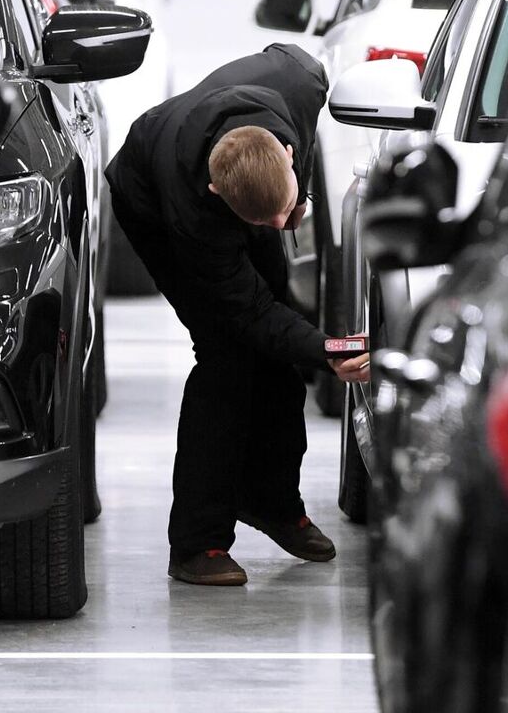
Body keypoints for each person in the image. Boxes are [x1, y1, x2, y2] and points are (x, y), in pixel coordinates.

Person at [105, 43, 370, 586]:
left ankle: (272, 501)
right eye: (266, 222)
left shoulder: (301, 82)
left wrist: (297, 205)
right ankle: (197, 543)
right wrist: (326, 352)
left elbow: (301, 66)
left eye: (285, 213)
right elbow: (249, 313)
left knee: (279, 354)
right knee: (227, 355)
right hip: (149, 196)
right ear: (217, 192)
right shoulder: (194, 212)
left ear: (290, 157)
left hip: (252, 180)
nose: (281, 227)